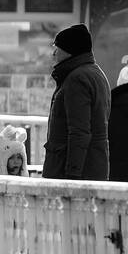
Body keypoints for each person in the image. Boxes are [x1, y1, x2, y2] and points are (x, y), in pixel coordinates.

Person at [42, 23, 110, 181]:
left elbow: (79, 131)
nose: (54, 53)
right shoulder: (96, 74)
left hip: (71, 172)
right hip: (94, 167)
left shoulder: (76, 79)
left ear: (68, 51)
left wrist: (72, 175)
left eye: (57, 47)